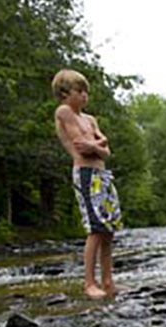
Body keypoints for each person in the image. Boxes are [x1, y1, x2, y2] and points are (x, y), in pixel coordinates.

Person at [52, 68, 120, 299]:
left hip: (102, 176)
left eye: (85, 92)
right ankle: (89, 283)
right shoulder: (63, 111)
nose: (84, 96)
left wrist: (96, 146)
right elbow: (81, 144)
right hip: (85, 174)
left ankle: (107, 281)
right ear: (64, 93)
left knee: (109, 229)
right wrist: (97, 145)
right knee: (95, 228)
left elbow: (105, 151)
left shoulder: (90, 119)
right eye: (79, 91)